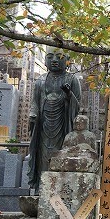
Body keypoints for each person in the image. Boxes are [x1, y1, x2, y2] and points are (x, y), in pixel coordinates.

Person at [27, 48, 81, 192]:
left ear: (67, 60)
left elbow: (78, 106)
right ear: (45, 60)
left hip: (64, 125)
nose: (55, 60)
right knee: (44, 156)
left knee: (61, 154)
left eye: (59, 57)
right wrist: (33, 114)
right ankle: (43, 188)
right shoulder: (40, 81)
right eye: (50, 57)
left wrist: (69, 94)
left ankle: (61, 188)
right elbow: (35, 103)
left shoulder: (72, 79)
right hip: (44, 125)